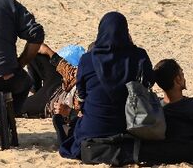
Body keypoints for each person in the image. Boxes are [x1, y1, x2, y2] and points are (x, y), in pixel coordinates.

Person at [58, 12, 154, 161]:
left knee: (72, 124)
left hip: (94, 130)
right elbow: (148, 83)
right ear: (126, 32)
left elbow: (82, 97)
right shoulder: (139, 56)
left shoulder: (87, 60)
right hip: (131, 127)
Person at [22, 44, 82, 118]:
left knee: (12, 107)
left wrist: (70, 112)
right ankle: (35, 91)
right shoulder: (92, 70)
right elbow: (71, 73)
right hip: (60, 83)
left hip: (52, 101)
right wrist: (49, 52)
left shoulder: (97, 90)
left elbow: (92, 117)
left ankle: (35, 100)